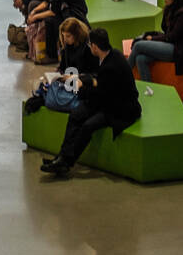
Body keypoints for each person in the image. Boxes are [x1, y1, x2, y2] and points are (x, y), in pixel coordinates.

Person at [40, 28, 141, 179]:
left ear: (94, 46)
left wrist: (82, 87)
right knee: (76, 115)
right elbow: (98, 82)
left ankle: (67, 162)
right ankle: (62, 156)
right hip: (108, 101)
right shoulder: (112, 56)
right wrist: (82, 80)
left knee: (88, 125)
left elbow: (102, 93)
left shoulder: (111, 66)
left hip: (120, 109)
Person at [128, 0, 183, 81]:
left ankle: (121, 75)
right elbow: (166, 30)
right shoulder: (171, 9)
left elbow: (172, 36)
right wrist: (166, 12)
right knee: (140, 59)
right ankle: (149, 87)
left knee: (138, 46)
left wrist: (152, 38)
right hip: (172, 44)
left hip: (180, 49)